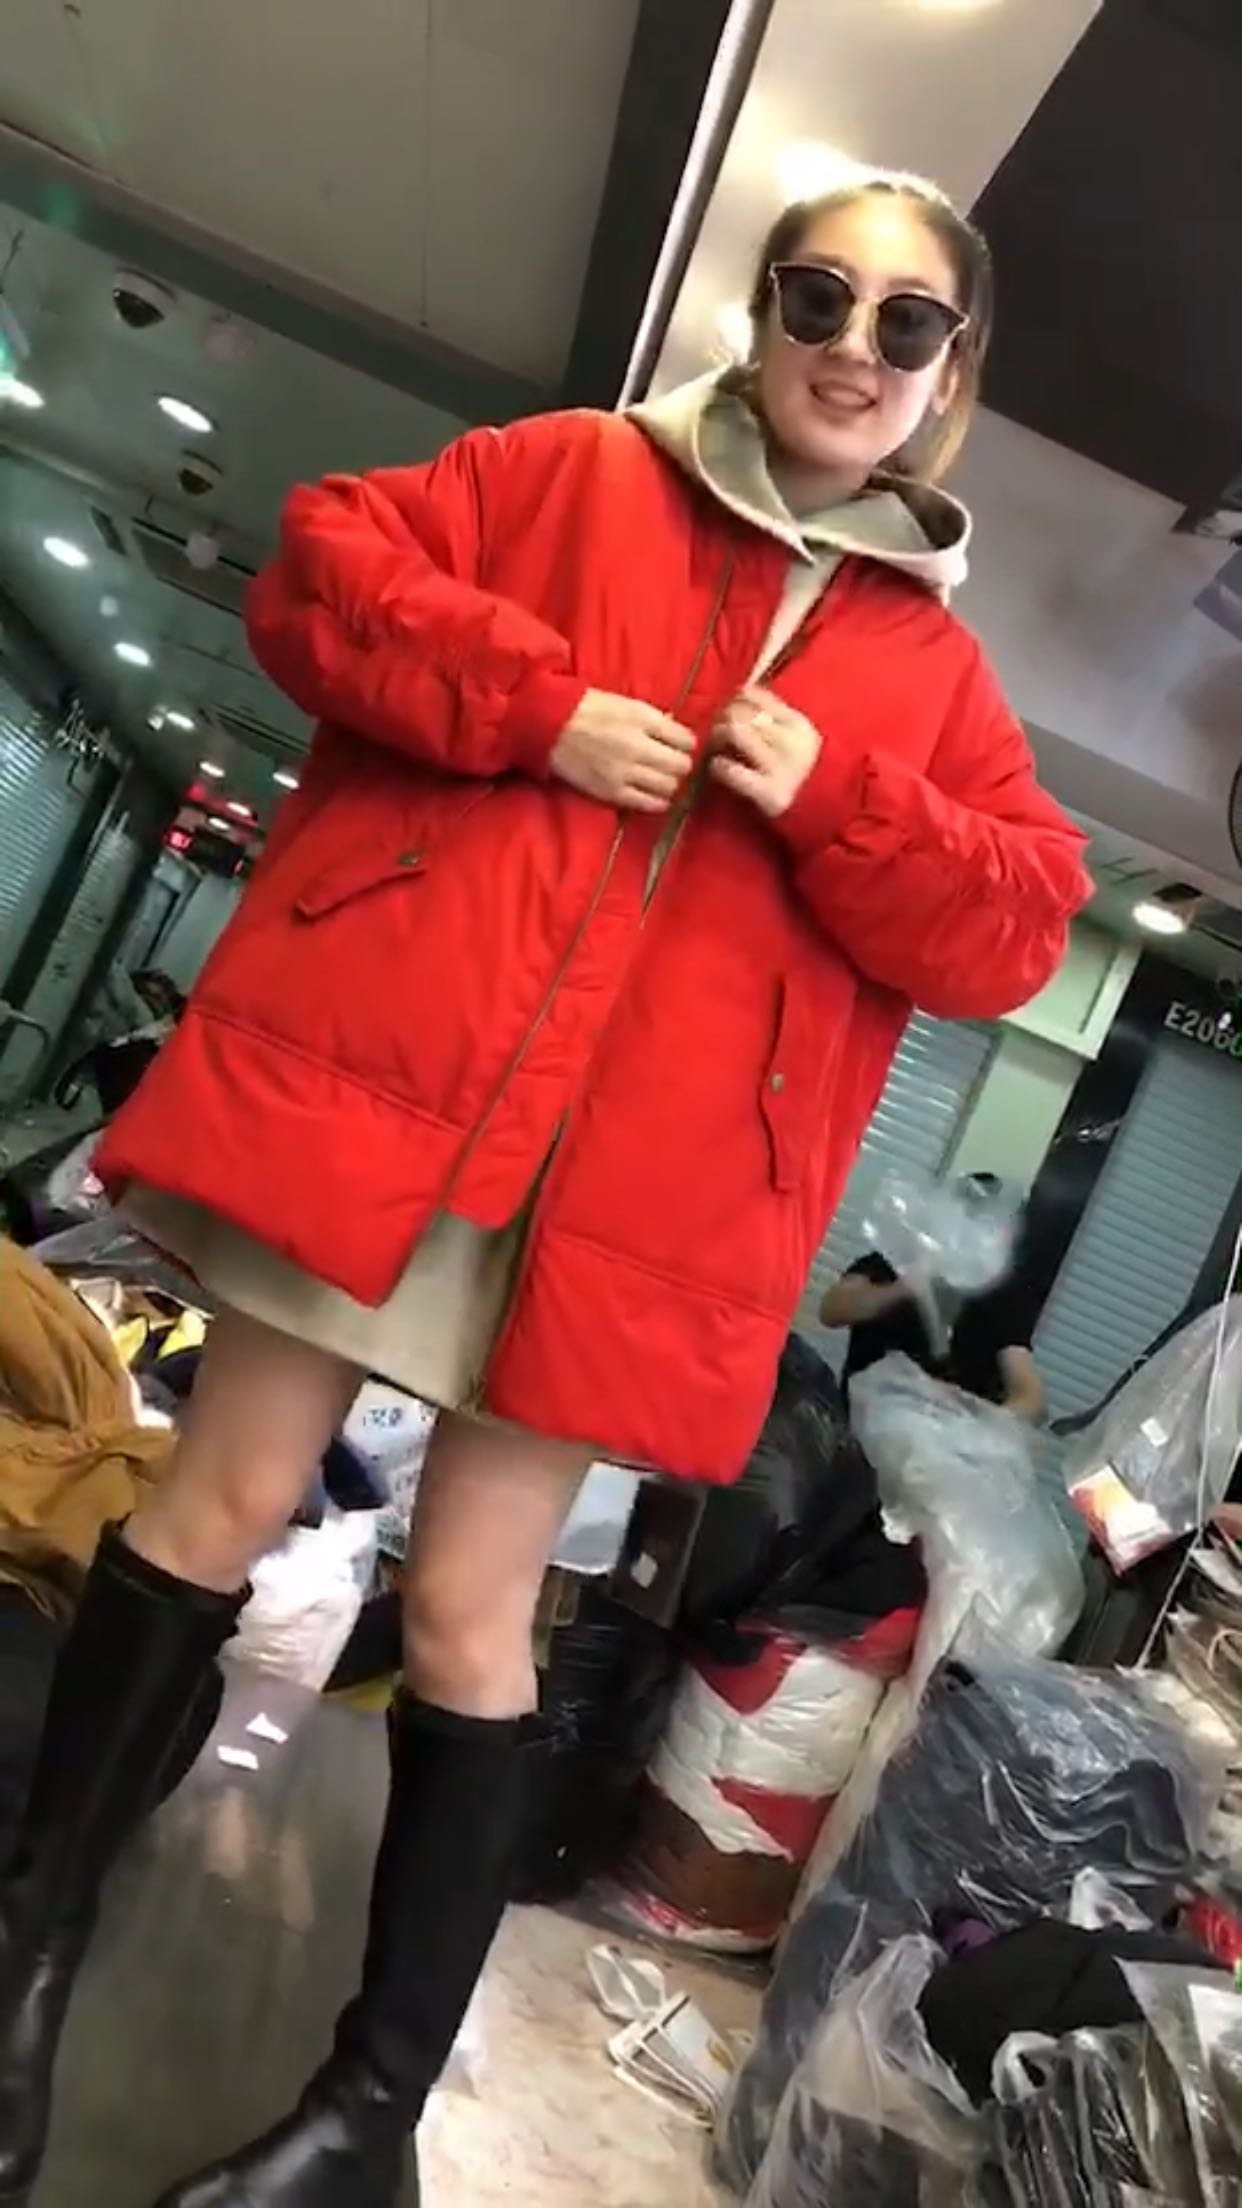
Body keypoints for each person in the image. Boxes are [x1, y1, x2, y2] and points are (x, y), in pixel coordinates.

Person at [0, 169, 1088, 2206]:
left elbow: (1019, 921)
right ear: (761, 311)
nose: (853, 348)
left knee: (473, 1612)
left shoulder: (935, 682)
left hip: (629, 1204)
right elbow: (322, 570)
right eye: (818, 297)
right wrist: (535, 705)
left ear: (949, 376)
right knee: (214, 1501)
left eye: (905, 324)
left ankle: (366, 2116)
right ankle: (26, 1949)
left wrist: (841, 798)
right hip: (395, 1108)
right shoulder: (574, 473)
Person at [821, 1176, 1047, 1421]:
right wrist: (903, 1286)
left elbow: (1029, 1395)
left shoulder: (1002, 1299)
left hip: (942, 1435)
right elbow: (831, 1311)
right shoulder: (891, 1262)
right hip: (861, 1423)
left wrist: (981, 1422)